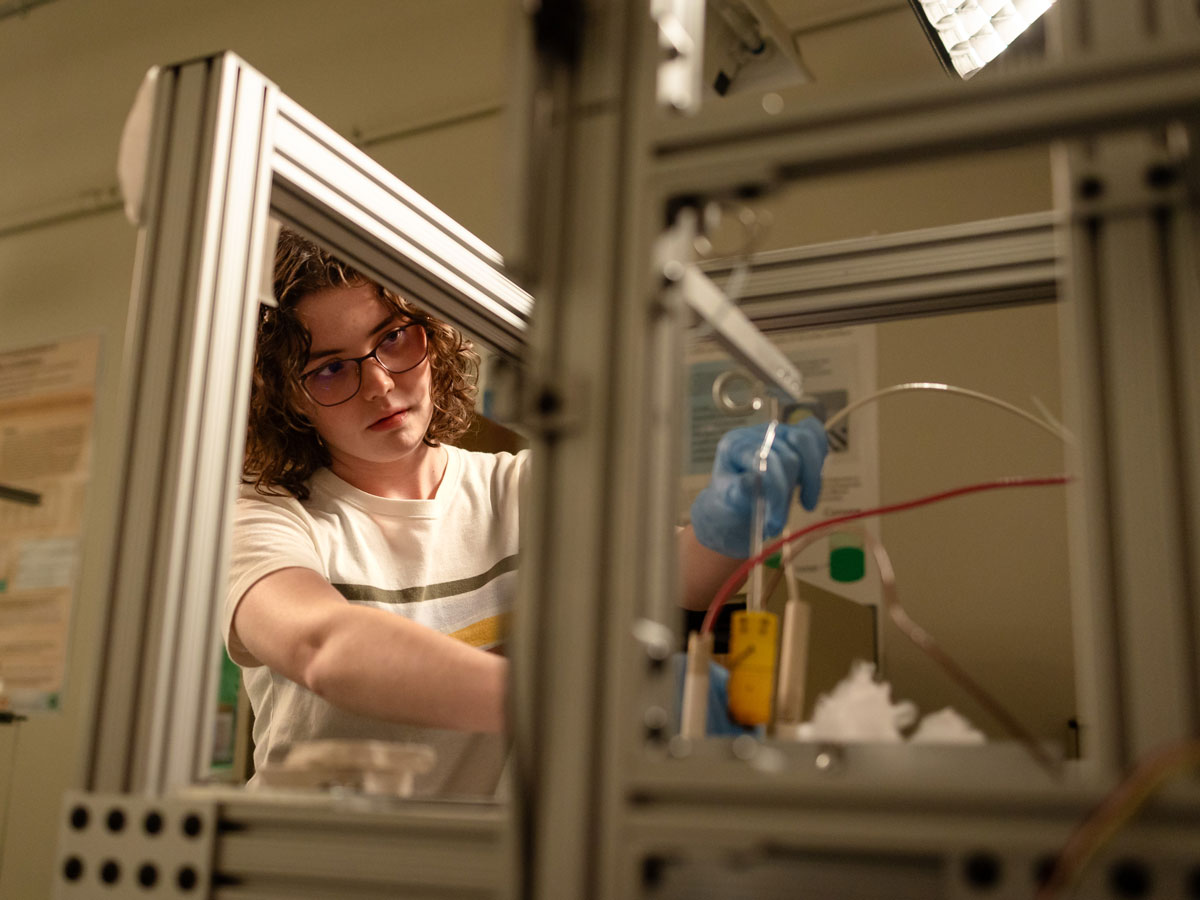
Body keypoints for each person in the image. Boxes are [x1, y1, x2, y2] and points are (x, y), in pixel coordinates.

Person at [222, 228, 827, 797]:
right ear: (286, 398)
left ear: (431, 336)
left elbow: (682, 575)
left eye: (393, 339)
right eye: (330, 369)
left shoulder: (520, 489)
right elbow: (322, 647)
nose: (380, 383)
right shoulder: (265, 518)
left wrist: (732, 515)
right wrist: (566, 705)